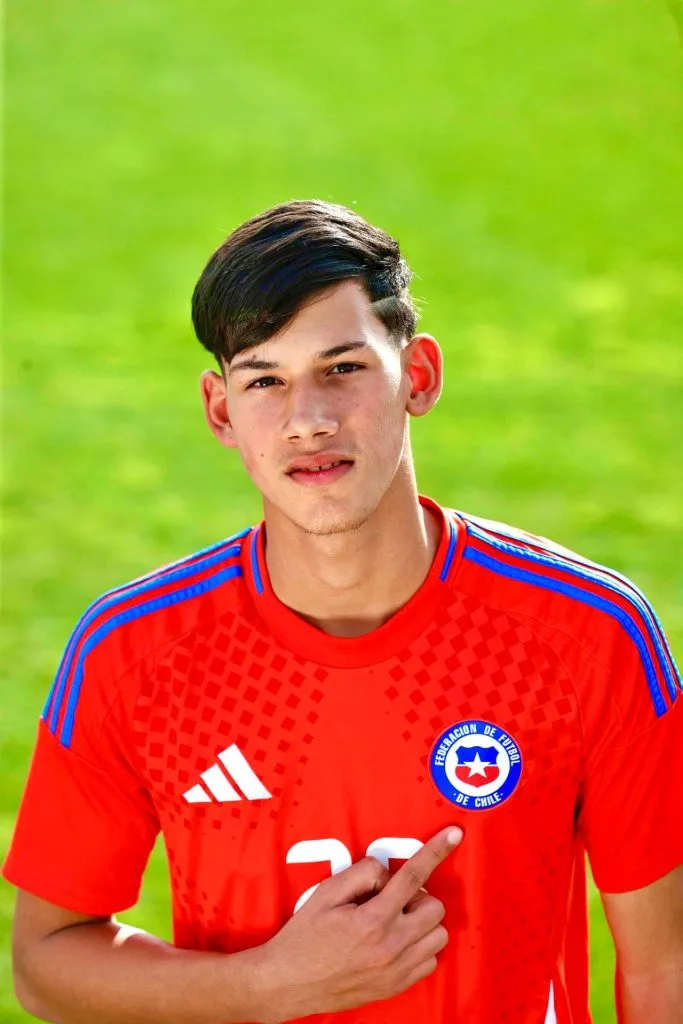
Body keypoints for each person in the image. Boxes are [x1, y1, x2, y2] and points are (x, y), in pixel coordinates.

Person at [4, 200, 682, 1024]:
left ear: (418, 377)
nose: (308, 421)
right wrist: (267, 986)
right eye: (265, 381)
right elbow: (43, 962)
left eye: (343, 368)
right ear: (221, 410)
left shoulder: (589, 633)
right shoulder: (133, 654)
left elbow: (662, 971)